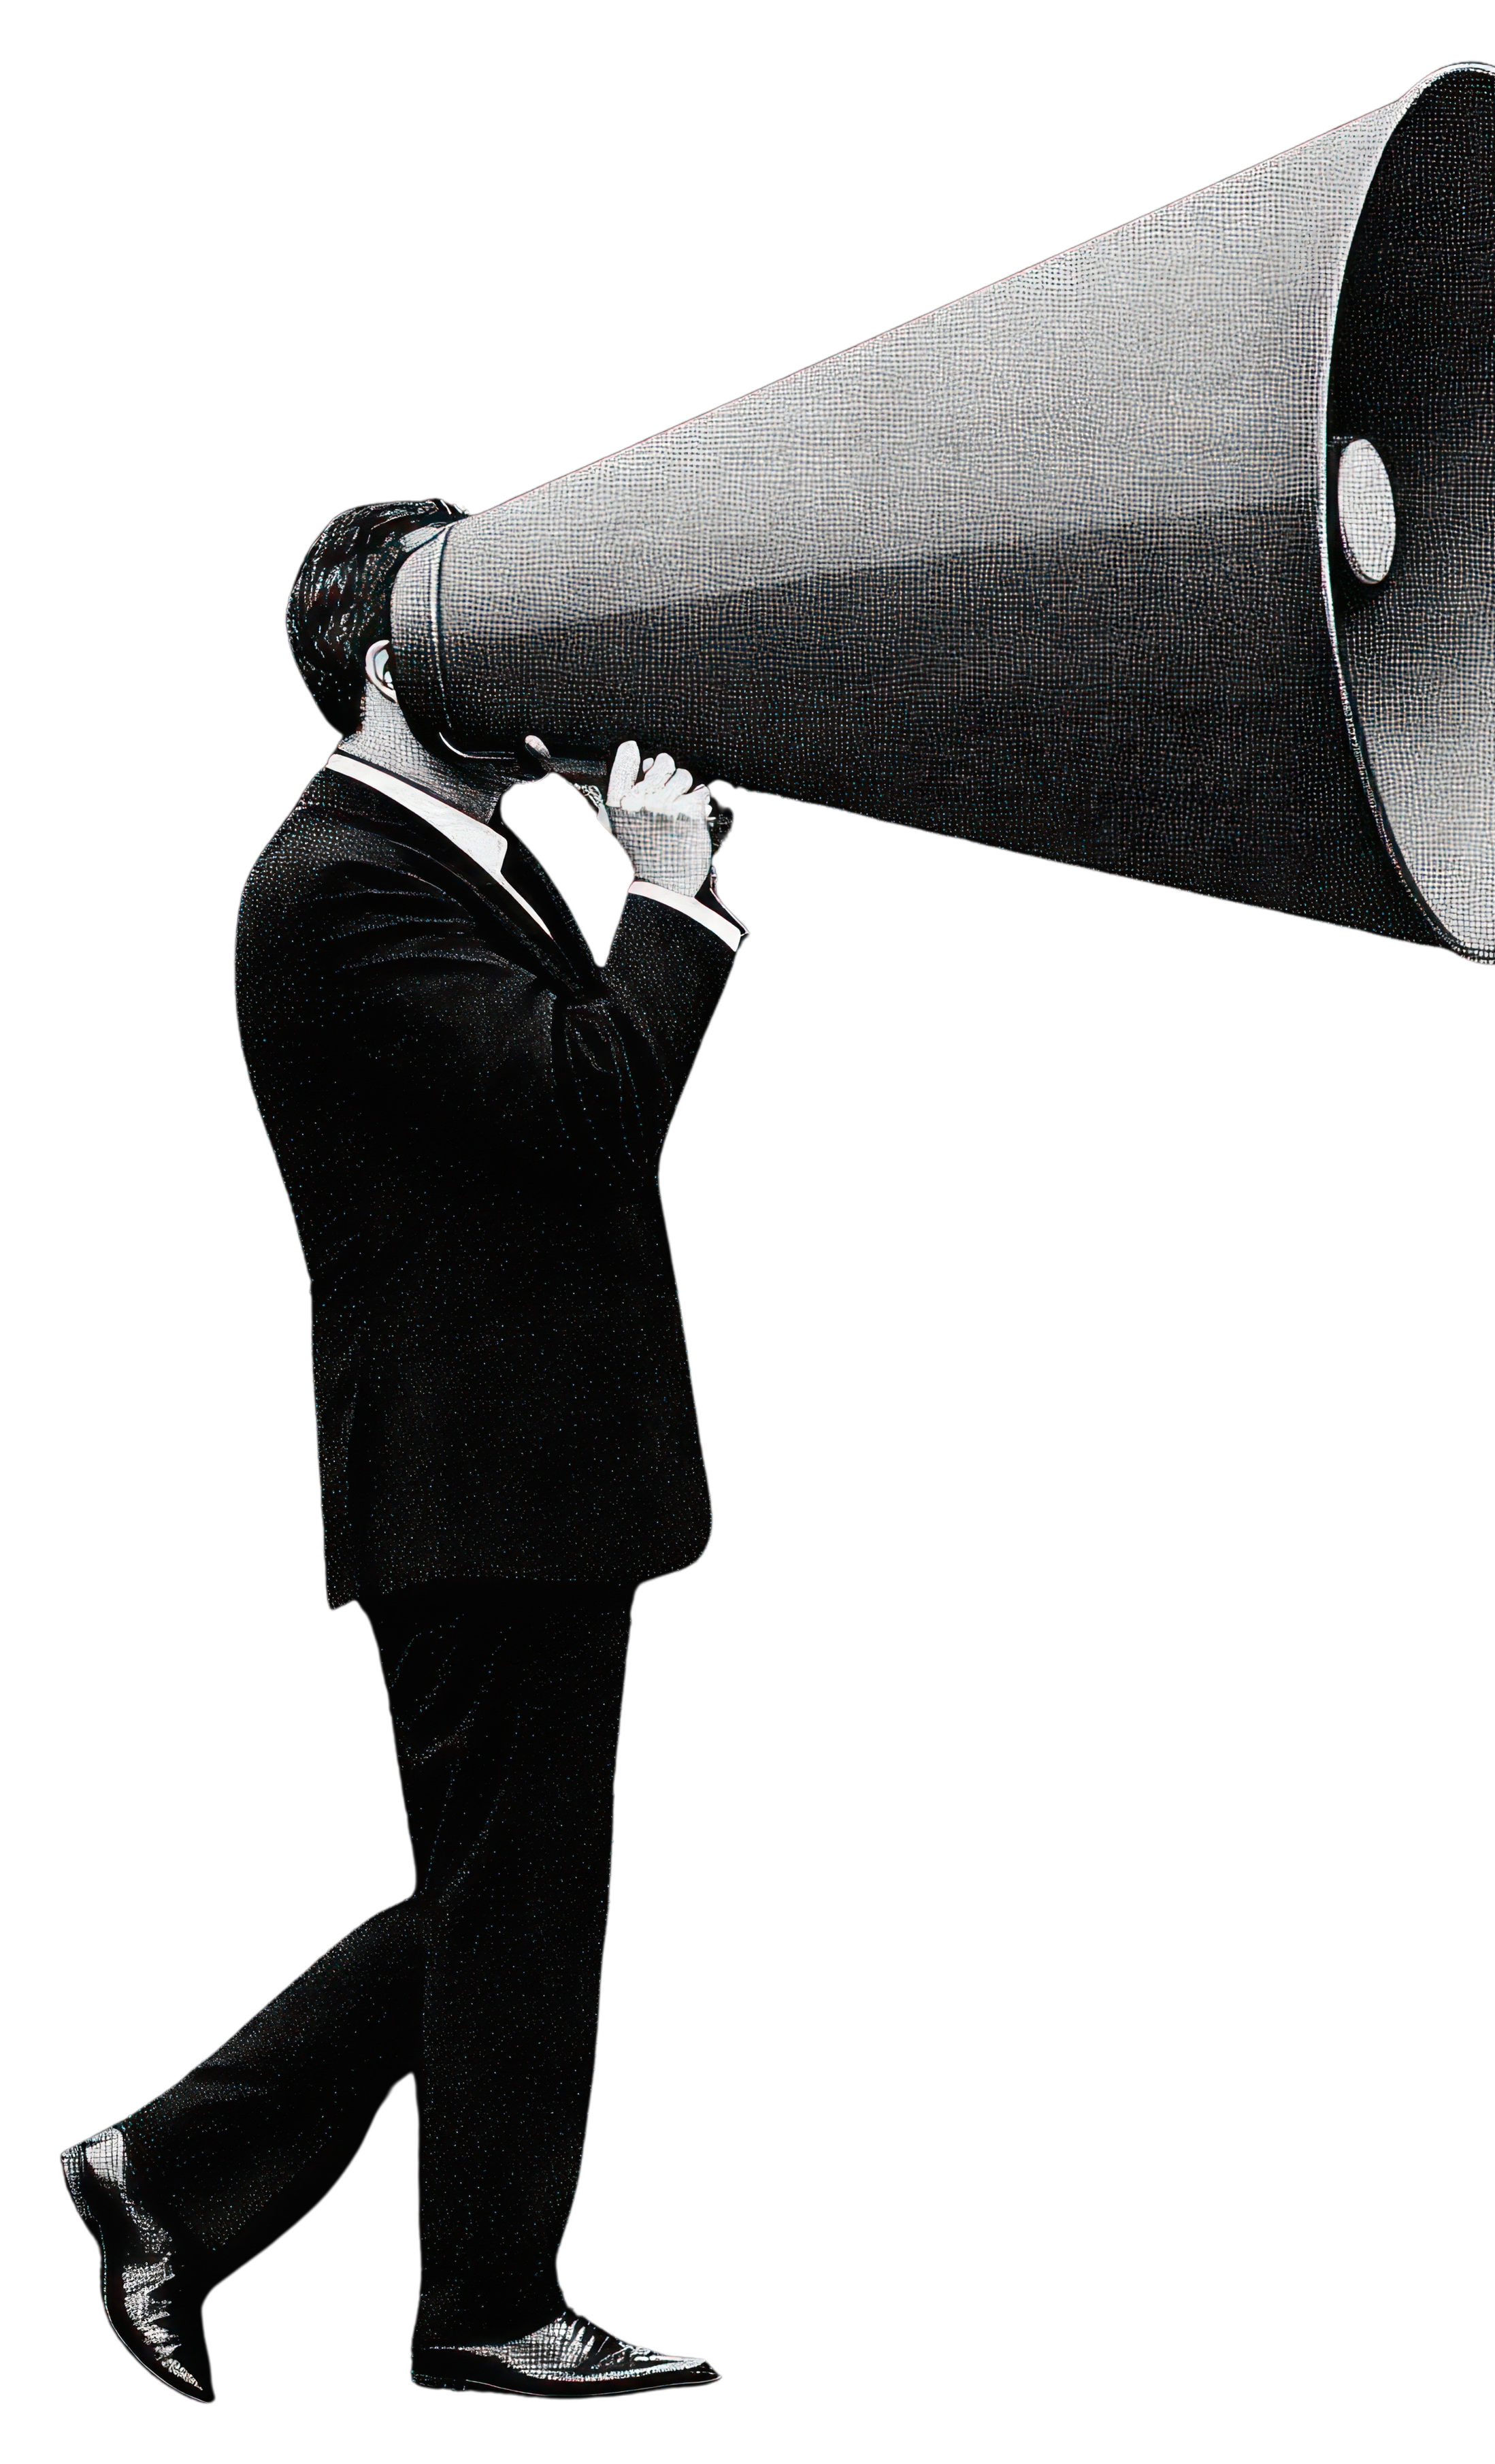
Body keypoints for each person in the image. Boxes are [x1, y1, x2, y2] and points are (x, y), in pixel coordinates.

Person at [57, 500, 744, 2406]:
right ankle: (326, 2237)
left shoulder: (465, 857)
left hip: (534, 1464)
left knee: (506, 1892)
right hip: (476, 1470)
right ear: (395, 665)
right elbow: (593, 1096)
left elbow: (575, 1102)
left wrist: (648, 918)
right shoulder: (329, 884)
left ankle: (393, 2266)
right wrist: (672, 902)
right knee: (512, 1891)